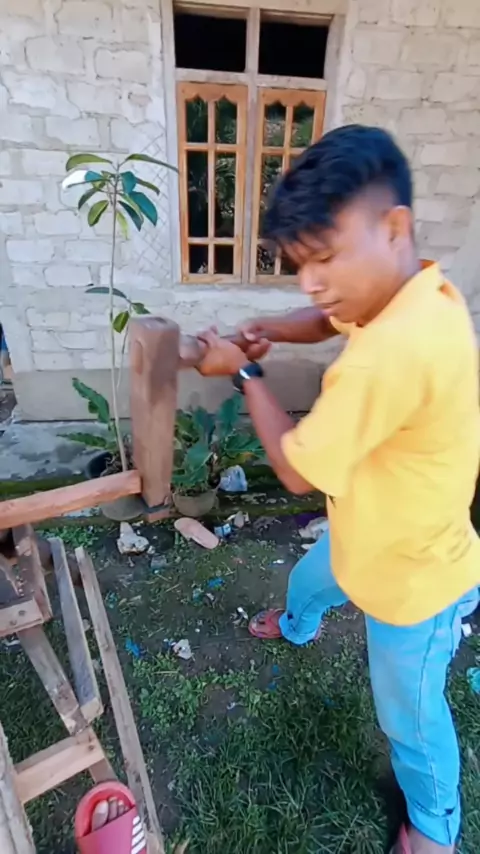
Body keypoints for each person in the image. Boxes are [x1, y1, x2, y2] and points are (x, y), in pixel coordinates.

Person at [195, 125, 480, 854]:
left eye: (325, 258)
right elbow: (329, 315)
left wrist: (244, 372)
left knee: (409, 717)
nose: (311, 281)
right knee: (308, 582)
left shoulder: (390, 354)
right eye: (302, 264)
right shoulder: (419, 291)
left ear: (394, 227)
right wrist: (270, 328)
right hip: (367, 532)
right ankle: (299, 624)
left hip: (416, 578)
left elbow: (296, 469)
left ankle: (436, 828)